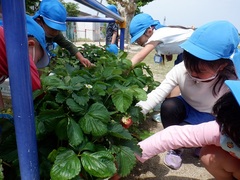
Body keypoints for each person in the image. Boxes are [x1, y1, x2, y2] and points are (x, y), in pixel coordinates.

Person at [135, 20, 239, 170]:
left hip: (210, 117)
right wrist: (135, 114)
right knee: (169, 106)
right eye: (189, 67)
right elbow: (158, 93)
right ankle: (176, 149)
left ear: (222, 66)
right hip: (187, 109)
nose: (192, 73)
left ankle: (204, 143)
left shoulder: (232, 81)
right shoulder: (181, 69)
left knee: (204, 139)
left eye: (199, 71)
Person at [0, 15, 49, 109]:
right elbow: (36, 90)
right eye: (38, 59)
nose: (35, 66)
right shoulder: (20, 50)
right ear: (30, 44)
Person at [33, 0, 92, 67]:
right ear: (39, 21)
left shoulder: (54, 33)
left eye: (58, 29)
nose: (56, 33)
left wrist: (81, 58)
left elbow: (68, 45)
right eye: (53, 29)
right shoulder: (30, 35)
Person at [129, 13, 194, 67]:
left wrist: (126, 68)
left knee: (179, 74)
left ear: (149, 31)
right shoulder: (160, 33)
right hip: (188, 50)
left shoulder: (157, 36)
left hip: (193, 47)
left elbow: (140, 56)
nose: (137, 42)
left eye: (138, 38)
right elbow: (171, 43)